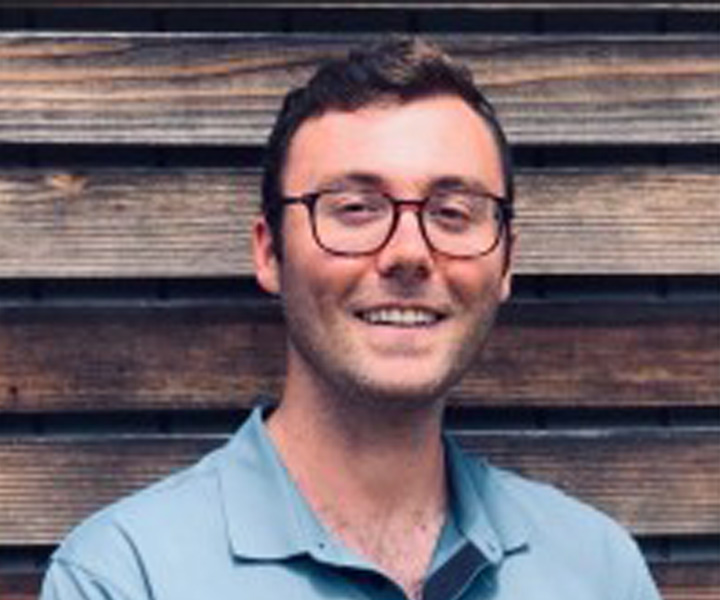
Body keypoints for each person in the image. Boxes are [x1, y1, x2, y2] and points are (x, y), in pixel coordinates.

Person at [41, 37, 662, 600]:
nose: (409, 254)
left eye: (453, 211)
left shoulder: (599, 570)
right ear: (268, 252)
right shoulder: (125, 576)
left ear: (505, 262)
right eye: (357, 208)